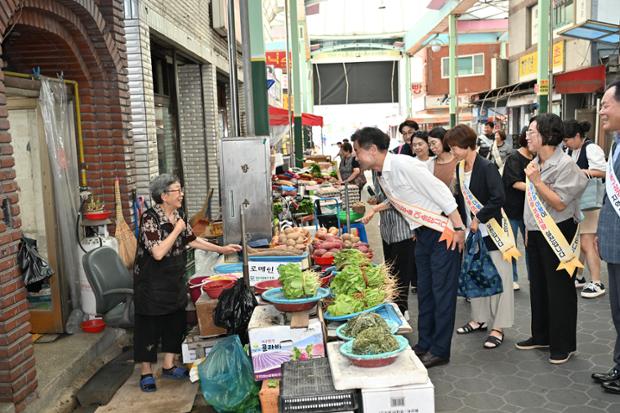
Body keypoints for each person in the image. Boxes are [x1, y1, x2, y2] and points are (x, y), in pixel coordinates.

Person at [356, 127, 466, 368]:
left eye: (358, 151)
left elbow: (441, 193)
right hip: (422, 234)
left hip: (443, 233)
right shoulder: (382, 172)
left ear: (372, 150)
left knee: (442, 293)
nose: (356, 156)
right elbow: (401, 200)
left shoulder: (403, 165)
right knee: (425, 291)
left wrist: (459, 229)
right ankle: (424, 344)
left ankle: (440, 350)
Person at [133, 174, 241, 392]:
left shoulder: (178, 216)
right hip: (151, 283)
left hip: (173, 279)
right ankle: (146, 372)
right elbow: (158, 252)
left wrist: (222, 249)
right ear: (164, 196)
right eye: (177, 190)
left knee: (175, 321)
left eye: (181, 189)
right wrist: (176, 229)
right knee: (149, 327)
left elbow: (192, 240)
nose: (181, 194)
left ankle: (169, 365)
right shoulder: (149, 219)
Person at [516, 114, 587, 364]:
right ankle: (541, 335)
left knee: (559, 289)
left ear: (547, 135)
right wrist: (526, 229)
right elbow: (530, 203)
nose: (527, 135)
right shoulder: (535, 162)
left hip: (558, 231)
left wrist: (536, 181)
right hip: (534, 233)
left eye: (533, 131)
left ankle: (563, 344)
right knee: (538, 285)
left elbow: (558, 203)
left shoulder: (566, 165)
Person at [448, 124, 513, 349]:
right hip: (471, 232)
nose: (453, 151)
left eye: (455, 147)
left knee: (500, 279)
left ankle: (499, 327)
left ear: (467, 145)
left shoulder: (486, 167)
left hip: (492, 232)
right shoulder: (459, 167)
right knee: (475, 275)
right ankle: (479, 319)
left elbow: (498, 198)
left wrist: (478, 218)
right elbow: (458, 198)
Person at [591, 80, 620, 394]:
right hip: (614, 241)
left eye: (606, 105)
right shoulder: (616, 143)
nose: (601, 112)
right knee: (617, 312)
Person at [563, 119, 607, 299]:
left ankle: (596, 281)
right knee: (580, 243)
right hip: (577, 203)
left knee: (587, 243)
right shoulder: (569, 150)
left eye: (567, 140)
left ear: (578, 136)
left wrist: (583, 172)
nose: (565, 144)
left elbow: (603, 172)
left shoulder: (591, 148)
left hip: (589, 204)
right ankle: (580, 276)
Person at [369, 169, 417, 318]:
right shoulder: (376, 172)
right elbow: (384, 196)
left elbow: (397, 199)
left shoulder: (395, 170)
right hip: (387, 231)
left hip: (403, 231)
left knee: (402, 274)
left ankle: (402, 310)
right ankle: (394, 306)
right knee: (391, 272)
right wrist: (375, 199)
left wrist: (376, 208)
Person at [502, 127, 534, 290]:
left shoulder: (535, 157)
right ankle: (512, 278)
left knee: (531, 245)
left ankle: (533, 276)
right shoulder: (514, 158)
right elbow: (514, 182)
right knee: (511, 245)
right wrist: (537, 188)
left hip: (530, 210)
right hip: (512, 209)